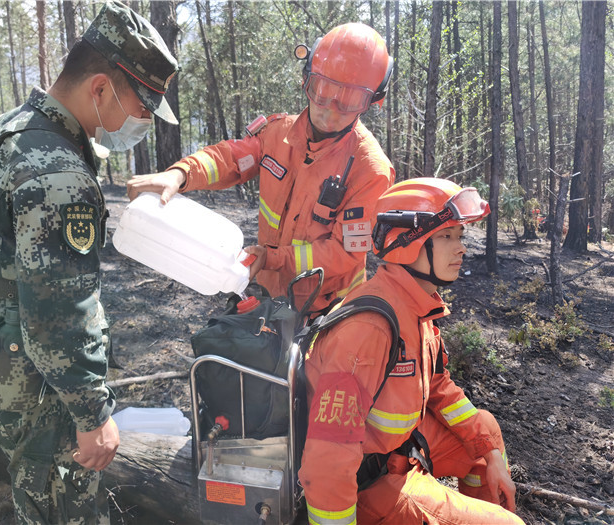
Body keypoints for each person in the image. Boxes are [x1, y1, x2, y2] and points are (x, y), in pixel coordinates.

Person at [0, 2, 178, 523]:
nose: (142, 121)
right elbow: (58, 310)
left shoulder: (10, 129)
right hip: (41, 387)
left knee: (33, 499)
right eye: (140, 106)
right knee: (63, 508)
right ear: (99, 89)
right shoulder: (59, 174)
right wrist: (92, 414)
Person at [298, 178, 525, 524]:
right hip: (370, 484)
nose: (461, 248)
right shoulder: (368, 329)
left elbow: (436, 385)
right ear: (407, 243)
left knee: (485, 434)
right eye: (446, 237)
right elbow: (328, 461)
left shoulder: (415, 305)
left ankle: (486, 508)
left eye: (460, 236)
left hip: (400, 449)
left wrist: (489, 451)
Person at [127, 22, 395, 315]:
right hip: (271, 293)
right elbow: (229, 158)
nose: (330, 110)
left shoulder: (371, 169)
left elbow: (344, 254)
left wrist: (272, 258)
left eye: (349, 100)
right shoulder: (277, 133)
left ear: (371, 102)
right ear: (307, 80)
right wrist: (180, 174)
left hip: (329, 308)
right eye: (323, 90)